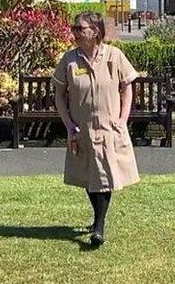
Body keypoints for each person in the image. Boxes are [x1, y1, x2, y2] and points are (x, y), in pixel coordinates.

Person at [53, 12, 140, 247]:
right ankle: (97, 220)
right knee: (88, 174)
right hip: (82, 129)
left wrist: (123, 118)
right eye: (74, 28)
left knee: (104, 176)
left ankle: (99, 226)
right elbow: (60, 95)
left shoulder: (114, 56)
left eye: (80, 28)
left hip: (108, 128)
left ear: (95, 31)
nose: (75, 32)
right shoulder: (70, 60)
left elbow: (127, 86)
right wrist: (69, 124)